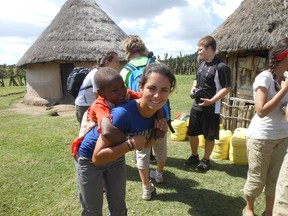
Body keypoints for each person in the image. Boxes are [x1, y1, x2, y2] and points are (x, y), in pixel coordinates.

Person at [75, 63, 176, 215]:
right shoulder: (120, 114)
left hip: (116, 157)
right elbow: (97, 158)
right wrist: (129, 143)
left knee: (119, 209)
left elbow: (143, 145)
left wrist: (157, 134)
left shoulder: (155, 110)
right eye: (152, 88)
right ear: (140, 87)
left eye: (164, 90)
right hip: (89, 158)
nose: (157, 96)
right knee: (92, 210)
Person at [242, 37, 288, 216]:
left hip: (283, 136)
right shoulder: (265, 77)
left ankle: (269, 211)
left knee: (274, 179)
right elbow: (260, 110)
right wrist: (284, 90)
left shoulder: (285, 77)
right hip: (261, 137)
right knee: (257, 178)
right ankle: (249, 208)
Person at [120, 35, 169, 194]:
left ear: (127, 51)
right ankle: (159, 174)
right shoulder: (157, 64)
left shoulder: (126, 71)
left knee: (142, 153)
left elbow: (123, 96)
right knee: (161, 147)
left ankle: (146, 187)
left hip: (139, 117)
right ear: (143, 48)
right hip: (161, 115)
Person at [185, 35, 231, 172]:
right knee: (192, 133)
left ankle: (206, 160)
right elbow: (196, 80)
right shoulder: (202, 64)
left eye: (200, 49)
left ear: (209, 48)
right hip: (196, 105)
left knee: (209, 136)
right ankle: (194, 156)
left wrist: (211, 101)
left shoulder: (221, 67)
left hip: (211, 108)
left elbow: (227, 88)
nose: (198, 52)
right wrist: (193, 88)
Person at [75, 51, 120, 123]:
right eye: (116, 61)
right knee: (87, 131)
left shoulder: (103, 74)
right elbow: (98, 95)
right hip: (85, 106)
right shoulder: (96, 73)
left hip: (92, 104)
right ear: (107, 62)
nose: (118, 64)